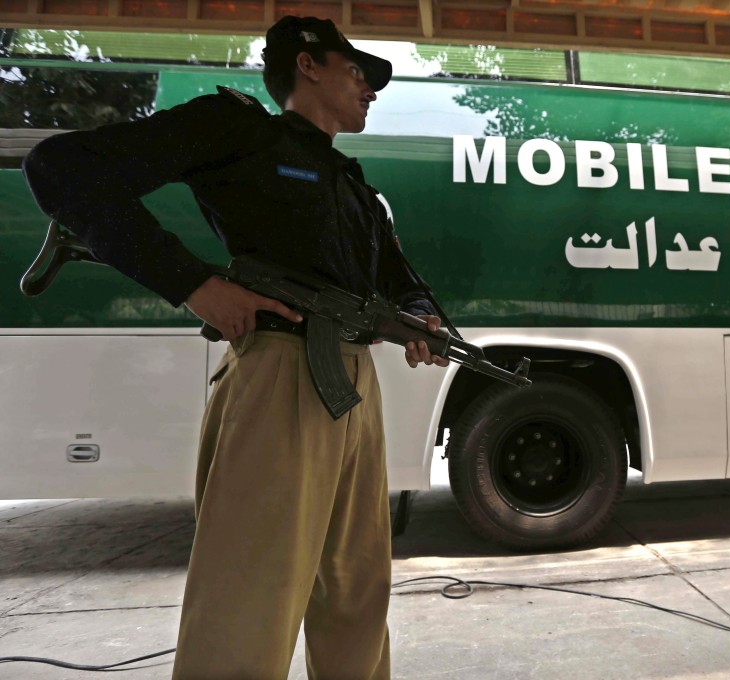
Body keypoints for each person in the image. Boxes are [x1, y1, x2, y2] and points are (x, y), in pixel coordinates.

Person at [22, 16, 448, 679]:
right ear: (308, 65)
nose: (372, 89)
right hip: (281, 375)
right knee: (249, 602)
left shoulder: (354, 185)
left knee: (356, 597)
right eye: (359, 71)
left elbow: (397, 279)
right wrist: (192, 283)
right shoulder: (241, 129)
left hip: (357, 387)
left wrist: (422, 316)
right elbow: (60, 167)